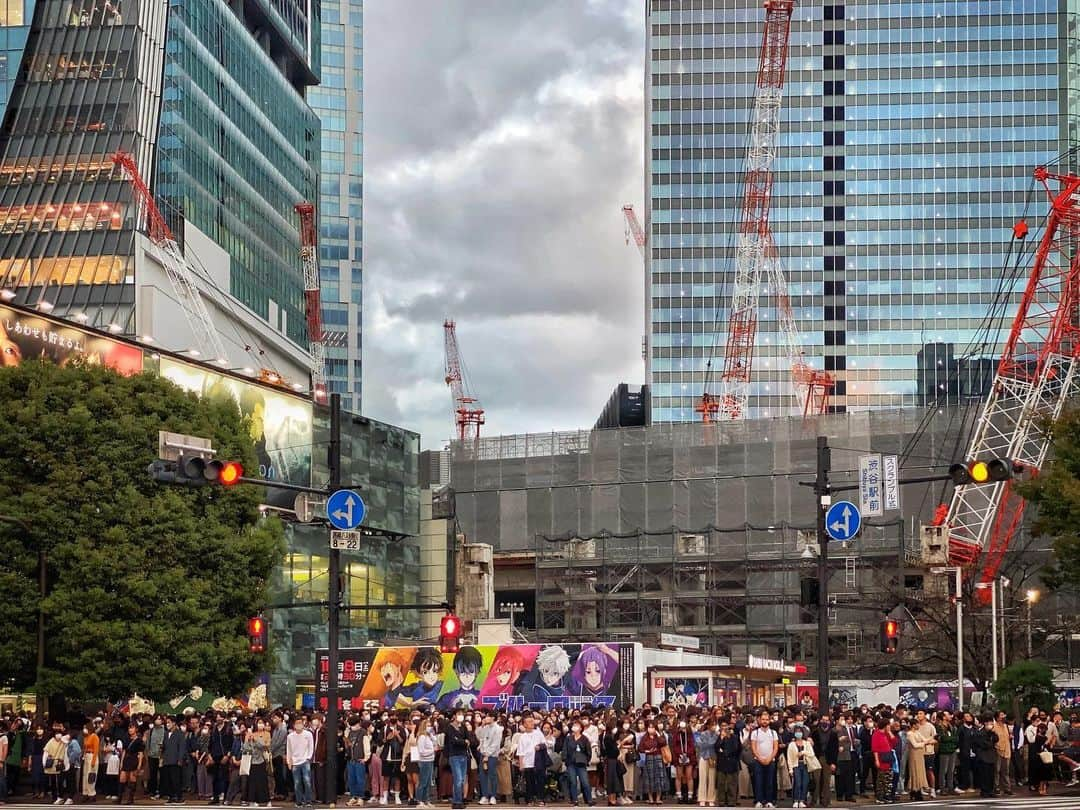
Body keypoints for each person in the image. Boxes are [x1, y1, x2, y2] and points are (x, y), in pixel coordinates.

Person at [748, 711, 779, 809]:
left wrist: (770, 758)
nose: (765, 721)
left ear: (769, 720)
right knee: (758, 781)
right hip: (758, 760)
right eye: (763, 719)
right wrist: (760, 758)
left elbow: (776, 747)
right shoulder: (755, 732)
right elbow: (753, 747)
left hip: (771, 760)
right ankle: (759, 801)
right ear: (759, 720)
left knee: (770, 781)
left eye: (766, 720)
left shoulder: (773, 733)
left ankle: (769, 801)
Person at [515, 716, 547, 806]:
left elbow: (544, 744)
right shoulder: (522, 737)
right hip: (527, 762)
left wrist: (539, 747)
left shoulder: (538, 733)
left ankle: (541, 799)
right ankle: (530, 799)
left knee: (540, 781)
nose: (532, 723)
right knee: (529, 782)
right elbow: (520, 752)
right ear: (524, 724)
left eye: (532, 721)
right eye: (529, 722)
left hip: (538, 761)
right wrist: (521, 765)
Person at [286, 718, 314, 808]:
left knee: (307, 781)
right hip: (294, 761)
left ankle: (308, 800)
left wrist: (308, 758)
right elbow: (288, 750)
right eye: (297, 723)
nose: (299, 725)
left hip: (305, 761)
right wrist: (289, 761)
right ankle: (299, 801)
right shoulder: (290, 736)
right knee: (297, 783)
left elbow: (311, 747)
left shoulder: (308, 734)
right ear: (294, 725)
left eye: (300, 723)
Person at [564, 721, 593, 806]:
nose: (575, 727)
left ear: (581, 728)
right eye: (574, 725)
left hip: (581, 763)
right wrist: (565, 759)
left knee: (585, 782)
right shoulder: (568, 738)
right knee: (573, 782)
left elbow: (589, 752)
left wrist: (586, 760)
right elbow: (565, 749)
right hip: (571, 763)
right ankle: (575, 800)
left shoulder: (584, 739)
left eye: (577, 725)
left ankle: (589, 799)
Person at [445, 712, 471, 810]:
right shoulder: (450, 727)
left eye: (462, 714)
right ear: (454, 716)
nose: (460, 716)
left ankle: (457, 801)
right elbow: (453, 740)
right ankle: (457, 801)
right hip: (454, 755)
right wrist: (463, 741)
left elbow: (468, 739)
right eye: (458, 714)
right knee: (458, 779)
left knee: (462, 779)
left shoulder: (464, 727)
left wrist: (464, 741)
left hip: (463, 755)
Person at [476, 714, 502, 806]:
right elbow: (479, 737)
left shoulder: (498, 729)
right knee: (482, 775)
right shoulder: (485, 727)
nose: (486, 718)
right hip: (483, 754)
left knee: (492, 775)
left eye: (488, 717)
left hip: (492, 755)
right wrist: (481, 726)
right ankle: (485, 796)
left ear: (493, 718)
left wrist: (488, 754)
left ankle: (493, 796)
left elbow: (496, 743)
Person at [714, 720, 741, 808]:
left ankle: (731, 801)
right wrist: (721, 739)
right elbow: (716, 748)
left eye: (726, 726)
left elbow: (737, 749)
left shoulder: (735, 737)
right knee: (721, 783)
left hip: (732, 762)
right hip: (721, 763)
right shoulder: (719, 737)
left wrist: (725, 751)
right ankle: (721, 801)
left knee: (731, 783)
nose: (724, 728)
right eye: (722, 726)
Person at [670, 718, 695, 805]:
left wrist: (687, 754)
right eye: (681, 727)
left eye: (684, 727)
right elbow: (674, 746)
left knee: (689, 776)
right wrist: (680, 754)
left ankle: (690, 796)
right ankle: (679, 796)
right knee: (679, 776)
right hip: (679, 757)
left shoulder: (690, 735)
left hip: (689, 757)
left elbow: (692, 746)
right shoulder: (676, 735)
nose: (683, 729)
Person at [786, 727, 812, 809]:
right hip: (795, 765)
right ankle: (796, 800)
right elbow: (789, 757)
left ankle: (802, 800)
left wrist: (803, 752)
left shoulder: (807, 743)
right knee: (797, 783)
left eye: (800, 732)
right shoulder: (791, 744)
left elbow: (812, 754)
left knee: (805, 783)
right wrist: (790, 769)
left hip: (805, 765)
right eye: (797, 732)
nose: (798, 733)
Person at [972, 715, 998, 799]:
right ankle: (984, 791)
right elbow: (985, 744)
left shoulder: (991, 733)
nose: (990, 725)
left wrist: (992, 734)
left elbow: (996, 739)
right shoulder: (980, 733)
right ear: (985, 723)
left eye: (991, 723)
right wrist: (990, 740)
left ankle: (991, 790)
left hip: (991, 756)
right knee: (984, 775)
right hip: (983, 757)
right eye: (989, 723)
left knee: (991, 774)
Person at [161, 717, 186, 805]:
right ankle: (171, 797)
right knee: (168, 780)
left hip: (175, 760)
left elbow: (182, 748)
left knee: (176, 779)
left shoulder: (180, 734)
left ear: (174, 723)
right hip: (167, 759)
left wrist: (180, 759)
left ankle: (179, 797)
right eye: (166, 723)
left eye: (169, 722)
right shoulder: (166, 733)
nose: (167, 724)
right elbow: (164, 746)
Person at [415, 720, 435, 808]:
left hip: (430, 760)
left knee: (428, 782)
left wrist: (432, 736)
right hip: (424, 761)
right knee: (423, 782)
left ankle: (426, 800)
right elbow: (421, 751)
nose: (429, 727)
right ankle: (419, 800)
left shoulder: (429, 736)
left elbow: (435, 743)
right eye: (428, 725)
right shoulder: (422, 737)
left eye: (430, 725)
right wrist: (432, 750)